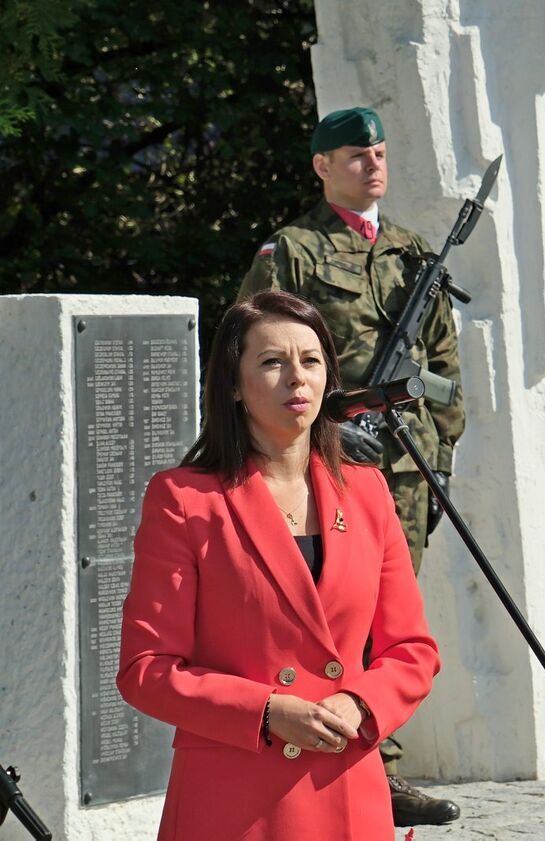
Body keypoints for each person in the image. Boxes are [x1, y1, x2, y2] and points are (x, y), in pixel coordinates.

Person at [116, 290, 441, 840]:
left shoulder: (367, 492)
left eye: (311, 361)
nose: (297, 378)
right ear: (234, 387)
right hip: (235, 798)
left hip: (345, 784)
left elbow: (412, 651)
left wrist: (360, 703)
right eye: (272, 362)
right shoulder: (184, 499)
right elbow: (146, 669)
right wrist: (265, 710)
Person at [237, 106, 464, 826]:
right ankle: (349, 766)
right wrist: (329, 422)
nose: (373, 163)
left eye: (379, 151)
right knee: (334, 624)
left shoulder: (410, 251)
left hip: (404, 467)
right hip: (321, 469)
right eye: (356, 154)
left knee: (391, 625)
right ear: (322, 166)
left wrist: (441, 453)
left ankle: (376, 765)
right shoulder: (292, 252)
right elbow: (254, 357)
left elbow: (443, 364)